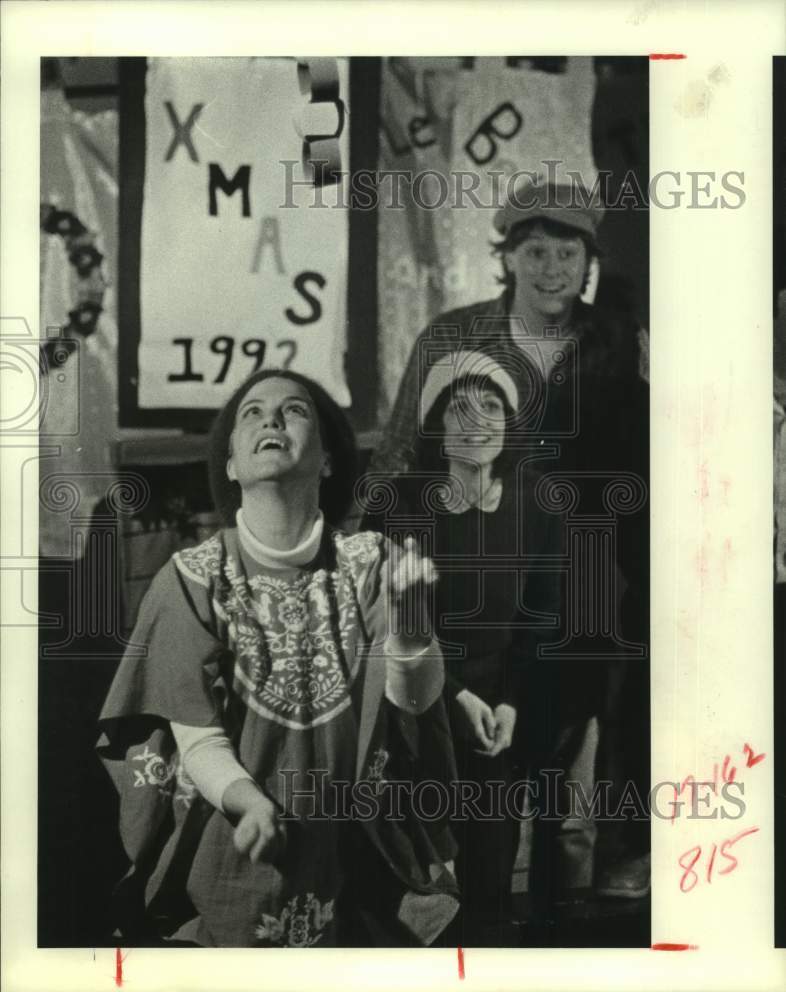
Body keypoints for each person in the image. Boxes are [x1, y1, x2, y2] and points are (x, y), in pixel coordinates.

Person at [97, 368, 459, 947]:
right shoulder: (191, 580)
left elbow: (412, 705)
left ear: (327, 460)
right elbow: (198, 739)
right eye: (252, 412)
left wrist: (413, 634)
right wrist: (249, 805)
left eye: (295, 411)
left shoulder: (372, 564)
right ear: (233, 466)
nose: (271, 418)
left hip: (356, 861)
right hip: (234, 854)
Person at [370, 176, 651, 905]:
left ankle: (566, 923)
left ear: (588, 260)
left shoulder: (618, 342)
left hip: (585, 579)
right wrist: (367, 555)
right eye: (535, 250)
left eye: (568, 251)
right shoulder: (455, 336)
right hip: (472, 578)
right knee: (465, 767)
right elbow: (400, 455)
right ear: (508, 257)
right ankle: (465, 919)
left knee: (569, 770)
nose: (552, 268)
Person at [361, 350, 578, 943]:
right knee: (413, 884)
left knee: (487, 877)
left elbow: (540, 619)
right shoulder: (399, 503)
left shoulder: (537, 503)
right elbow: (381, 621)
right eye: (460, 409)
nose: (478, 421)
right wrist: (453, 695)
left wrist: (508, 703)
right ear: (436, 425)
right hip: (412, 703)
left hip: (496, 716)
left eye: (491, 407)